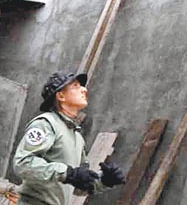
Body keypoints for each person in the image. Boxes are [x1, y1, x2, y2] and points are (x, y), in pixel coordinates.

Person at [13, 72, 126, 205]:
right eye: (76, 86)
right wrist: (67, 173)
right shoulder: (46, 124)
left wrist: (104, 181)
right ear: (60, 95)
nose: (84, 89)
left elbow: (79, 187)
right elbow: (22, 164)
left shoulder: (77, 137)